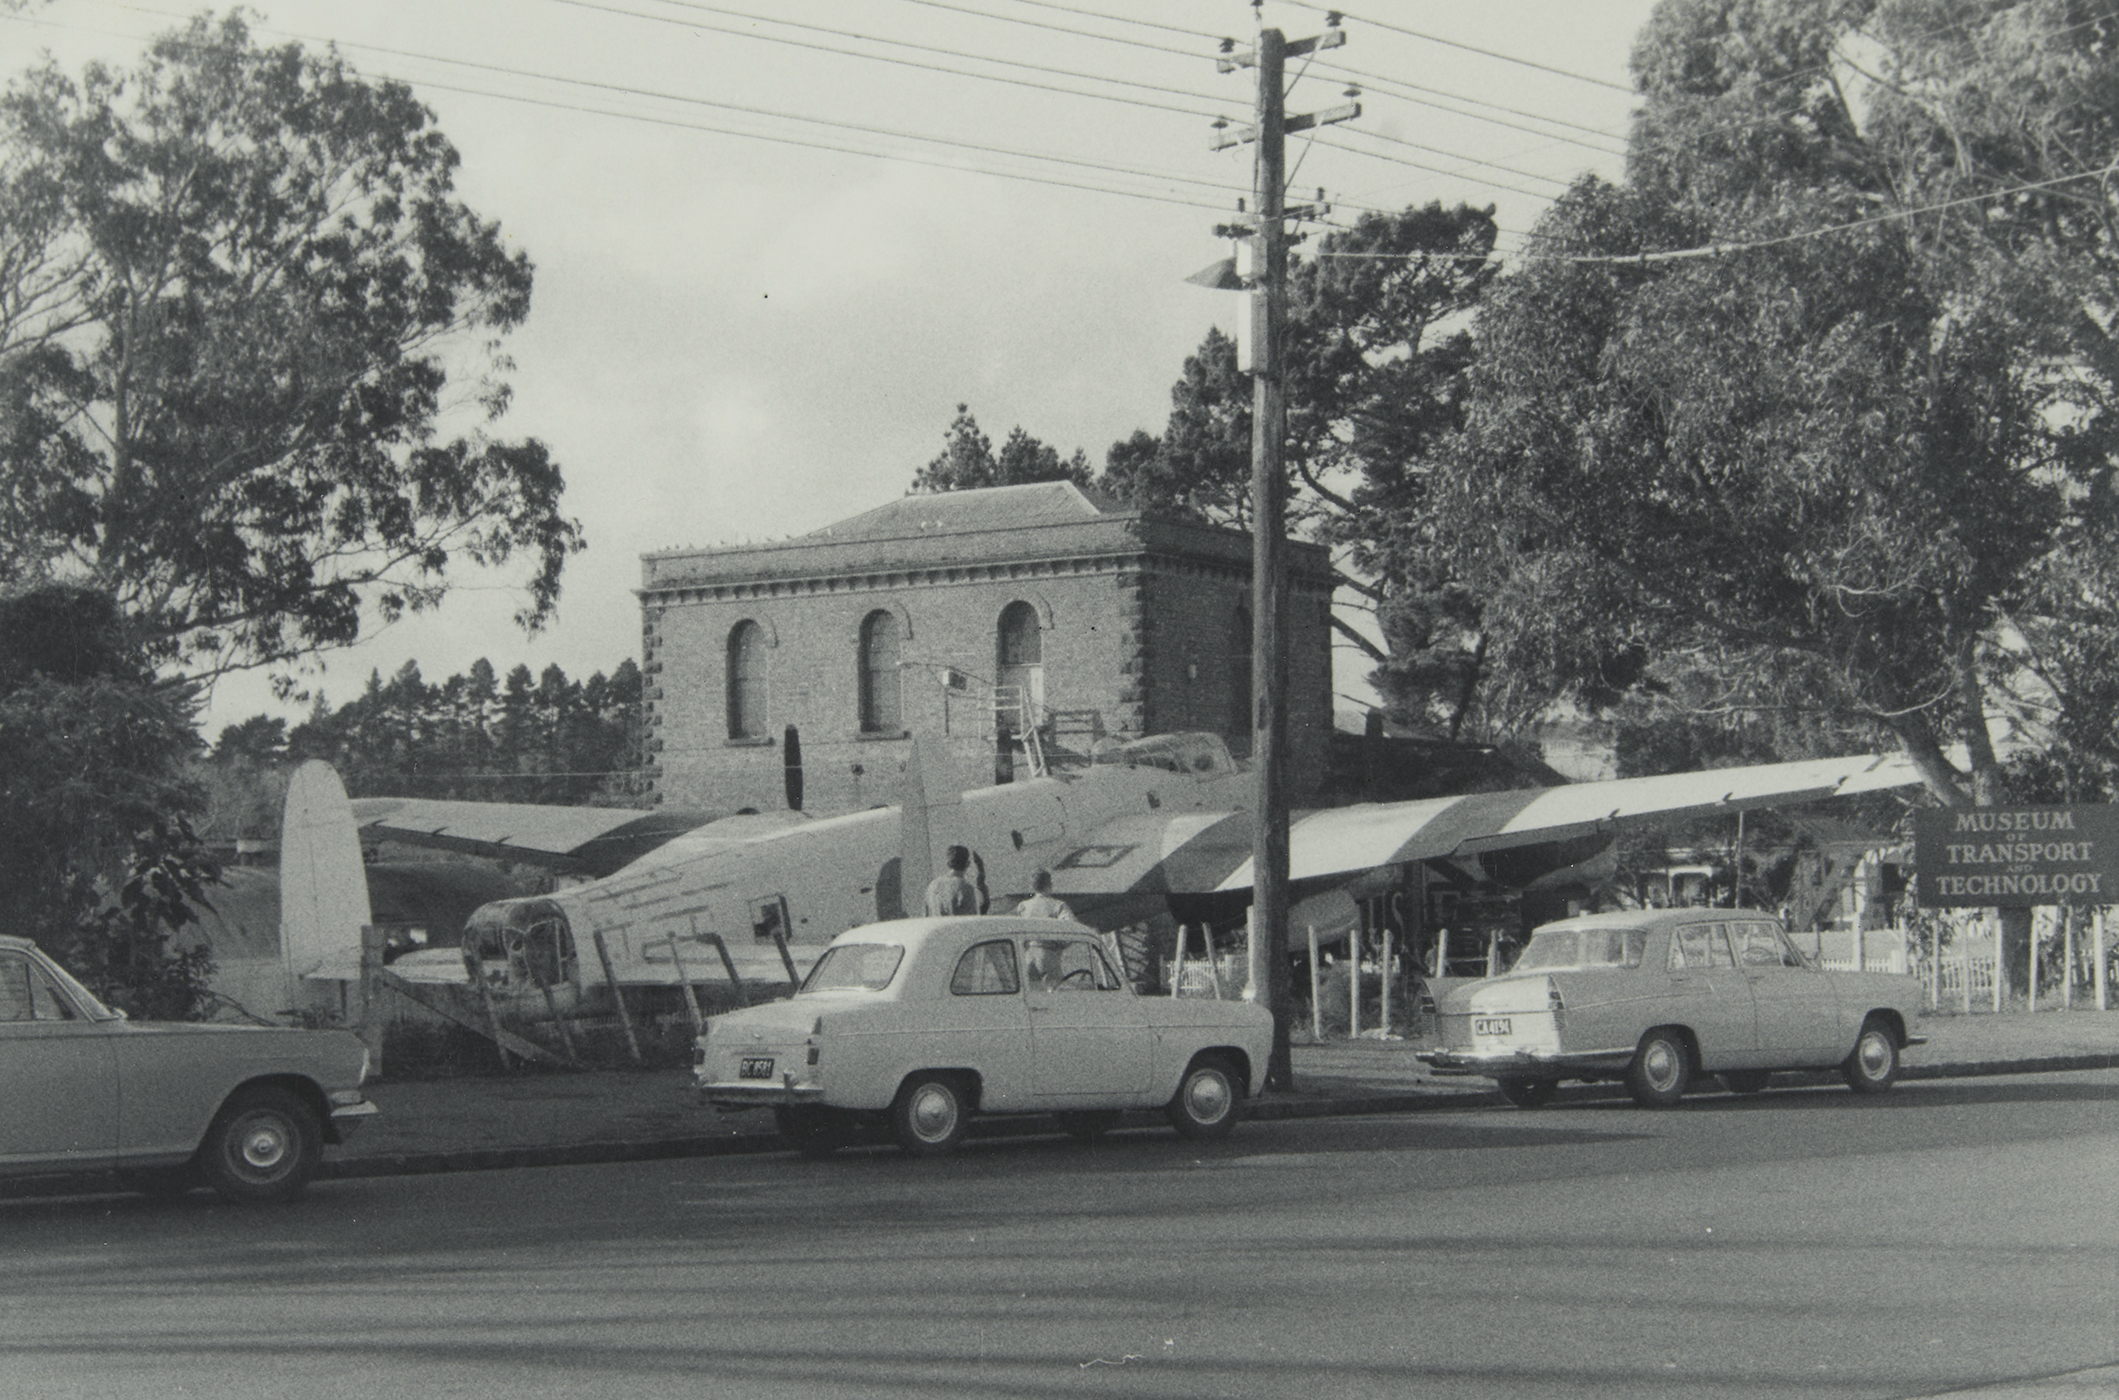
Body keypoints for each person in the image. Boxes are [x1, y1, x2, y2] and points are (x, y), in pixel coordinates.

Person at [923, 845, 979, 916]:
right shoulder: (966, 888)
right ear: (968, 864)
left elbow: (925, 915)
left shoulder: (932, 886)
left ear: (948, 863)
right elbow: (971, 921)